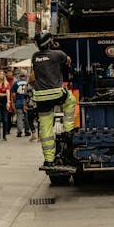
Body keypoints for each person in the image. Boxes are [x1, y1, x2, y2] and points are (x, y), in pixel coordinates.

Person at [32, 31, 76, 170]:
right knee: (71, 100)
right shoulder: (58, 54)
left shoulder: (34, 57)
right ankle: (69, 130)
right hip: (56, 93)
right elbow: (68, 61)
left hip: (40, 96)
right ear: (50, 42)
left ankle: (49, 160)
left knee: (45, 127)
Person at [11, 69, 30, 137]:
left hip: (18, 100)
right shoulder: (28, 82)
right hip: (27, 101)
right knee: (27, 117)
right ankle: (27, 131)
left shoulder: (16, 83)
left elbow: (13, 94)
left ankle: (19, 131)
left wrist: (14, 101)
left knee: (19, 116)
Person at [25, 71, 38, 141]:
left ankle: (33, 134)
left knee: (30, 120)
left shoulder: (27, 85)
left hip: (31, 105)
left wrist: (25, 105)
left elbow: (25, 96)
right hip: (38, 105)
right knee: (40, 120)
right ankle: (39, 136)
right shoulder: (39, 84)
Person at [5, 67, 16, 134]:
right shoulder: (4, 80)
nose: (9, 74)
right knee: (6, 114)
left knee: (10, 114)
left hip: (12, 99)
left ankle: (8, 128)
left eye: (10, 73)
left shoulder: (14, 81)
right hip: (5, 99)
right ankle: (6, 128)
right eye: (8, 73)